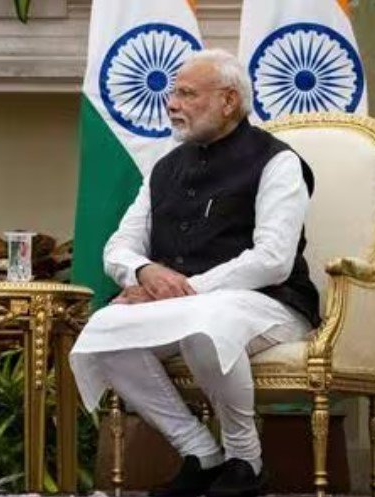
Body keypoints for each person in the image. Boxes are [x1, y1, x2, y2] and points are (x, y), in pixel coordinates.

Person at [70, 49, 321, 497]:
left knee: (204, 324)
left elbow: (273, 259)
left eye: (187, 93)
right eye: (173, 93)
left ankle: (246, 460)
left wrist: (181, 292)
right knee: (105, 329)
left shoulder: (277, 162)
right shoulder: (164, 167)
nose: (172, 104)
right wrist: (144, 270)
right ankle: (201, 453)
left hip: (272, 304)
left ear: (228, 101)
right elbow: (119, 246)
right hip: (189, 306)